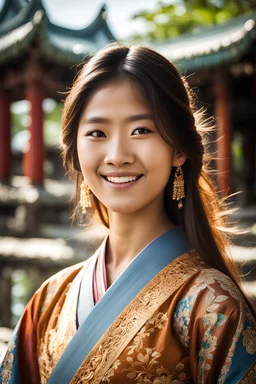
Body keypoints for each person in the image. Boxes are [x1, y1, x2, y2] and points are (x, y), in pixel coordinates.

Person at [0, 42, 256, 384]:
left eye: (141, 130)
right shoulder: (48, 300)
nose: (117, 155)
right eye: (97, 133)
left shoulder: (212, 307)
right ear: (75, 151)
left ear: (178, 148)